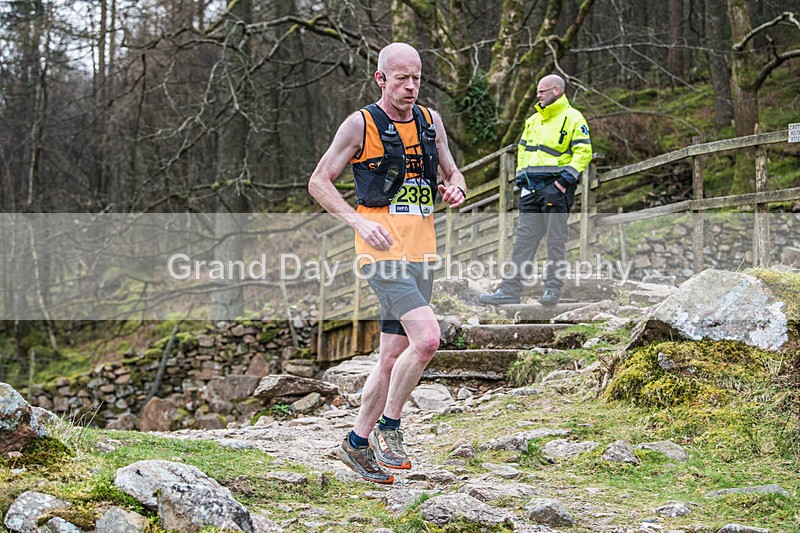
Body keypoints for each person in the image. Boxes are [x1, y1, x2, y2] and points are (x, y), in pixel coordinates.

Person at [308, 42, 467, 484]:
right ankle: (390, 429)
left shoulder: (432, 122)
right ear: (381, 79)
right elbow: (319, 182)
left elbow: (453, 174)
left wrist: (456, 189)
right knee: (429, 338)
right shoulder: (360, 124)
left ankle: (356, 445)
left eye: (416, 77)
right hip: (381, 255)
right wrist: (357, 221)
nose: (410, 86)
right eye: (401, 78)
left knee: (391, 356)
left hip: (421, 252)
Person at [479, 74, 591, 306]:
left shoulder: (573, 118)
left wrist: (563, 182)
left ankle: (552, 290)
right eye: (538, 91)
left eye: (542, 91)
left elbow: (583, 153)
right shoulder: (532, 121)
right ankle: (510, 290)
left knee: (555, 241)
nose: (537, 94)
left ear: (557, 91)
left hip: (556, 190)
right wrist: (521, 181)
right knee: (523, 242)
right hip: (530, 191)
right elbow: (523, 151)